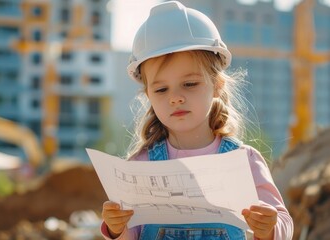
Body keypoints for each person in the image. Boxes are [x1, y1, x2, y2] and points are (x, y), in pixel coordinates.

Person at [100, 1, 293, 239]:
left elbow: (283, 223)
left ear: (217, 86)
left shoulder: (244, 162)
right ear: (148, 95)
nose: (175, 98)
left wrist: (270, 228)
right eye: (161, 90)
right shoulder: (139, 167)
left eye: (189, 84)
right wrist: (116, 228)